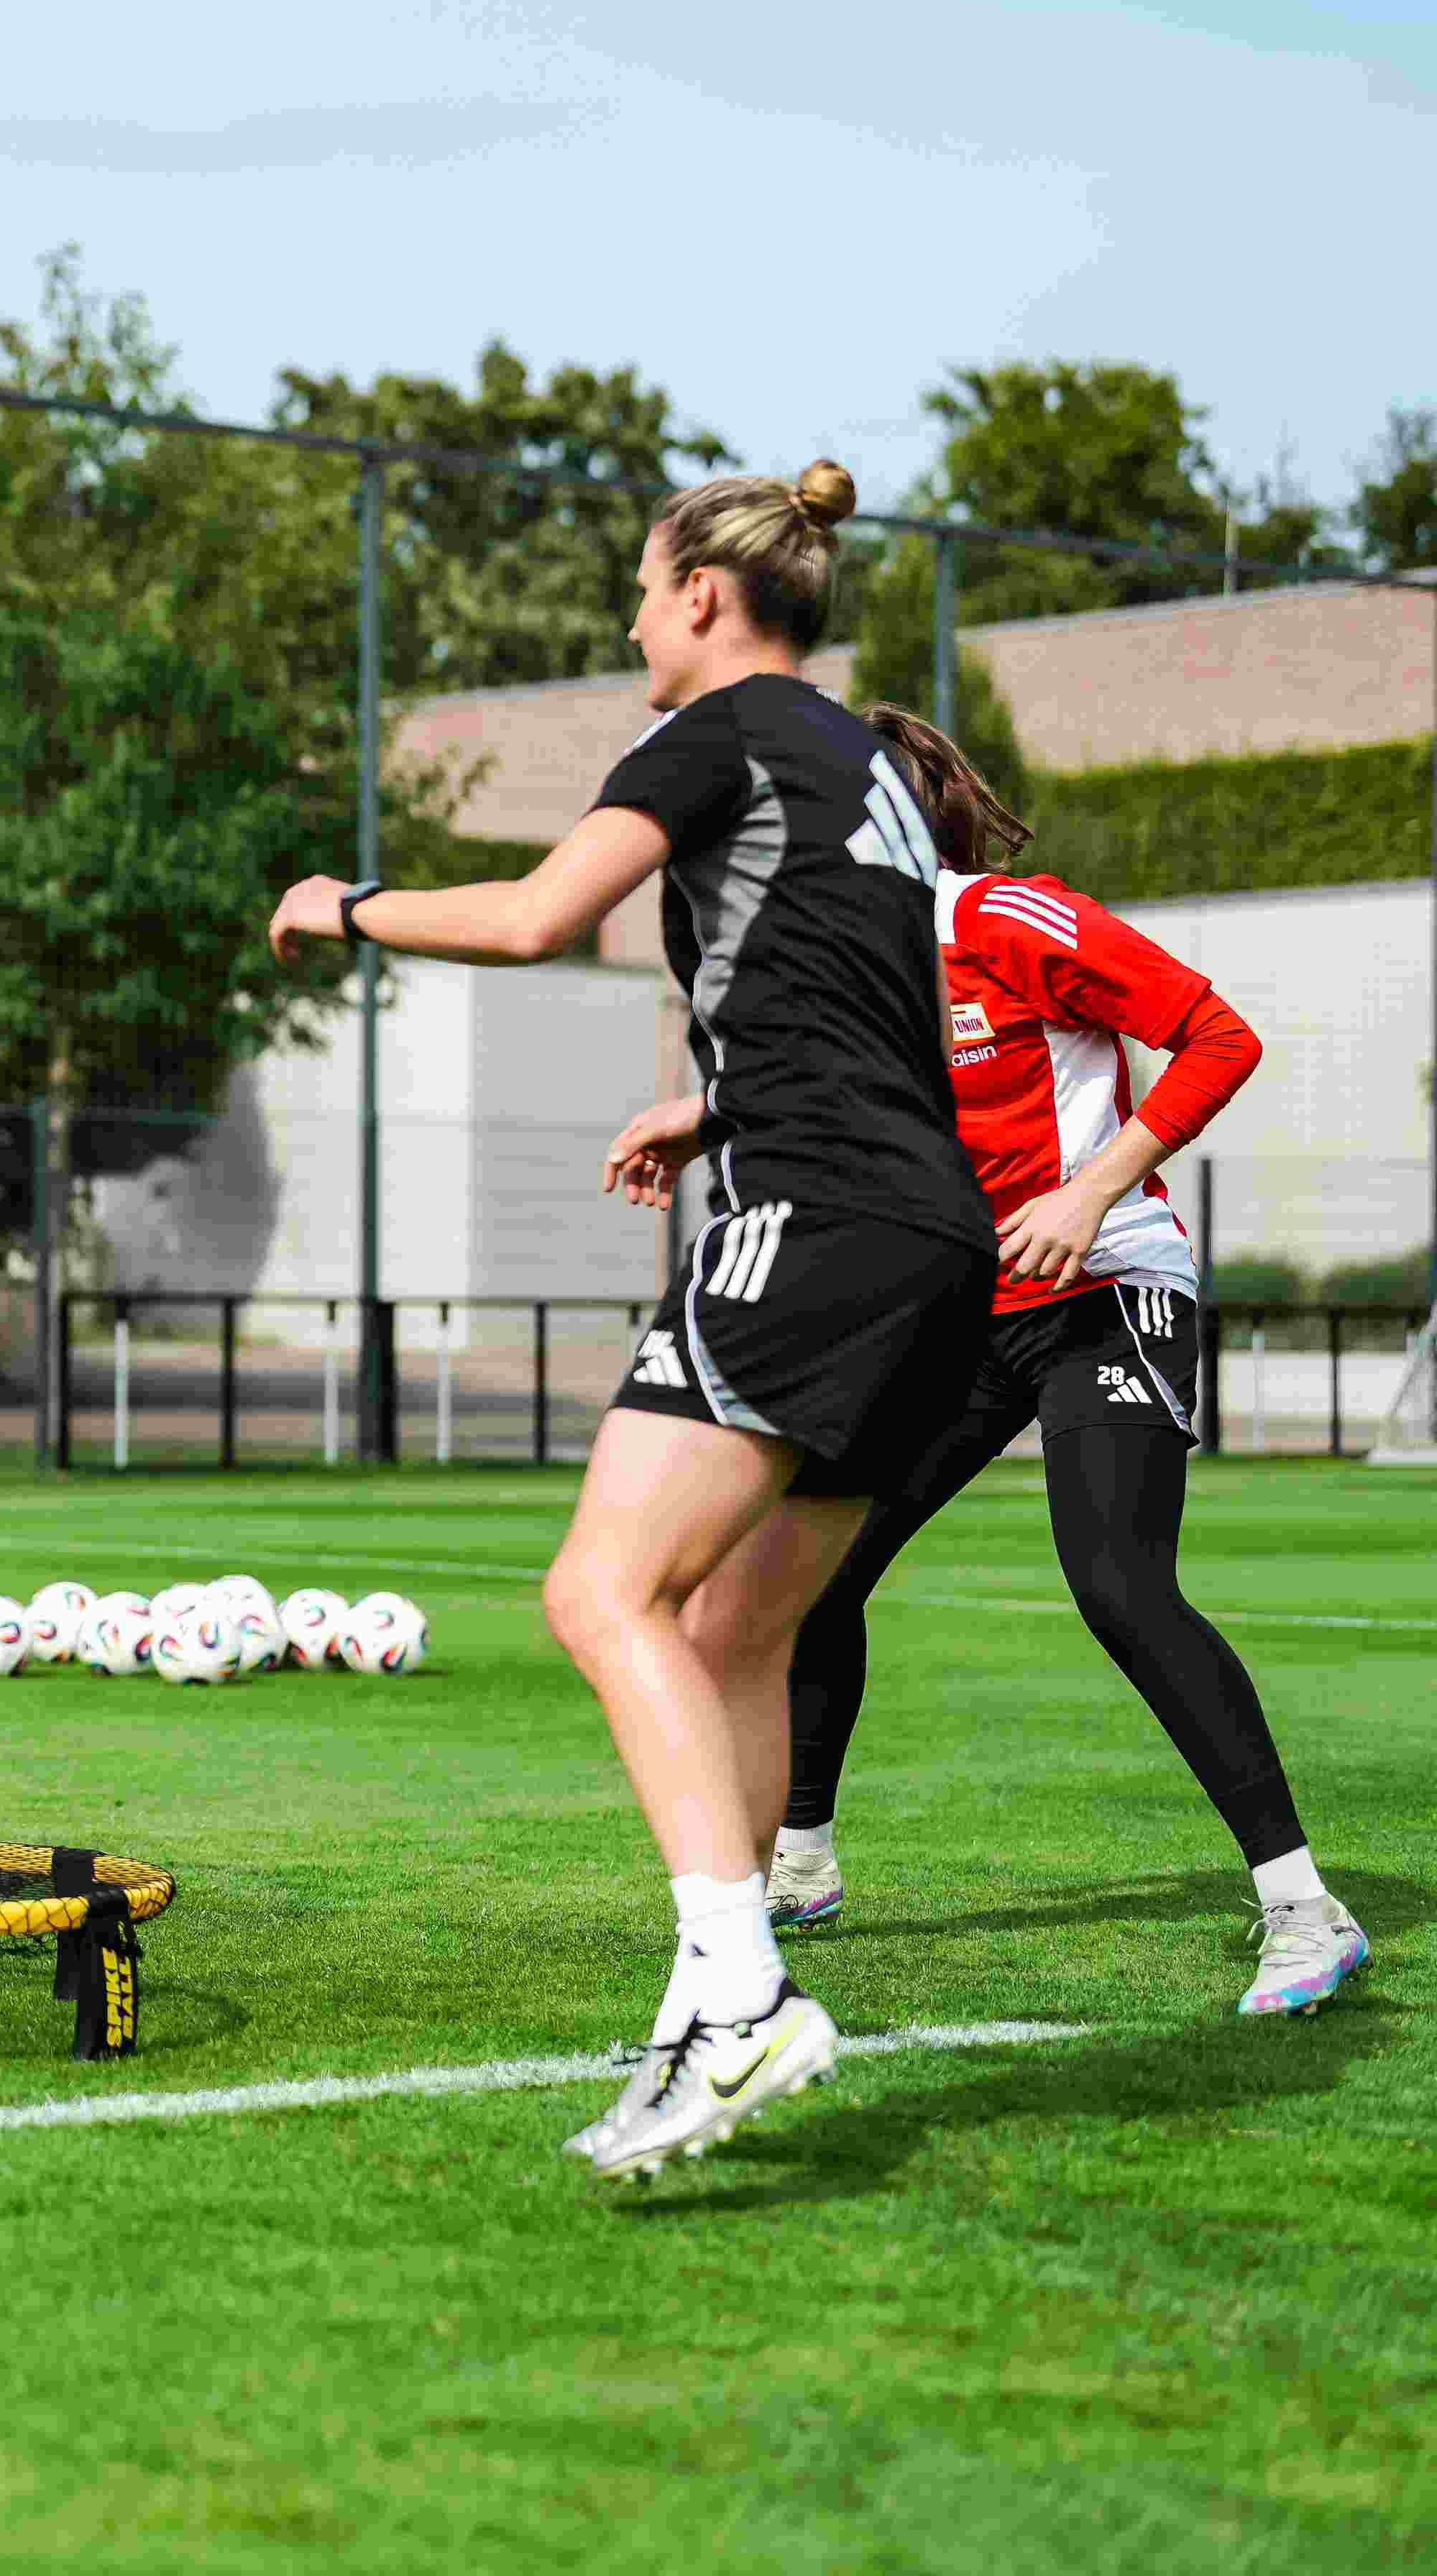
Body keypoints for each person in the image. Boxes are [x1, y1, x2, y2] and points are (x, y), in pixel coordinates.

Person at [269, 460, 994, 2183]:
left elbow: (537, 917)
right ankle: (712, 2001)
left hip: (812, 1223)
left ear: (701, 601)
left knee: (604, 1590)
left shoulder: (715, 734)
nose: (626, 621)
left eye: (641, 587)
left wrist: (346, 903)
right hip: (928, 1237)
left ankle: (741, 1999)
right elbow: (849, 999)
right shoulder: (869, 764)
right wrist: (714, 1112)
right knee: (736, 1631)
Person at [653, 706, 1362, 2016]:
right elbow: (825, 1091)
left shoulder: (1009, 920)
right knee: (812, 1573)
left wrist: (1093, 1191)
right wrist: (699, 1124)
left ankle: (1304, 1909)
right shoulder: (848, 961)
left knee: (1117, 1586)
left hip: (1107, 1290)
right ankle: (801, 1860)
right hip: (963, 1309)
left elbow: (1219, 1034)